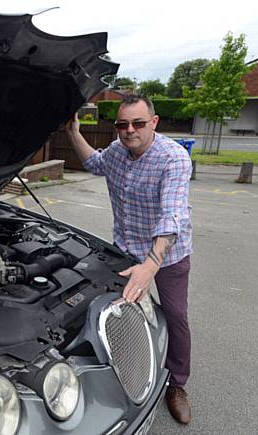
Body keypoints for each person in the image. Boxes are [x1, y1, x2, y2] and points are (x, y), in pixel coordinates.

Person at [65, 95, 193, 424]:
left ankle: (176, 384)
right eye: (122, 124)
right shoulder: (117, 152)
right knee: (121, 309)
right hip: (123, 249)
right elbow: (94, 163)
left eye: (137, 123)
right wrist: (73, 132)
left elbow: (171, 217)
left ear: (154, 122)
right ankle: (130, 370)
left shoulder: (173, 158)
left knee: (175, 315)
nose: (129, 130)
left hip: (167, 256)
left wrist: (151, 265)